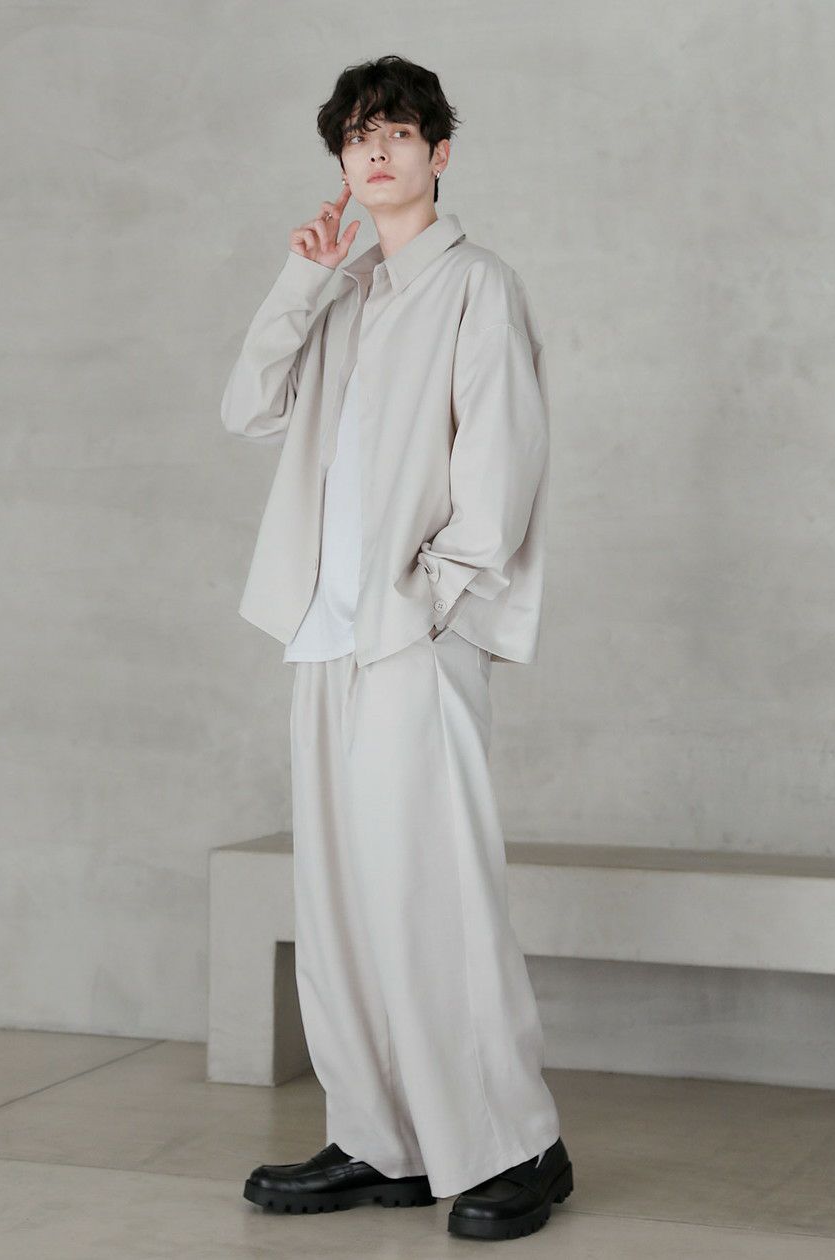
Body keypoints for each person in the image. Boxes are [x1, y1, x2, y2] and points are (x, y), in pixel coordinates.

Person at [221, 54, 573, 1241]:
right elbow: (247, 408)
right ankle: (382, 1138)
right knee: (340, 903)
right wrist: (303, 278)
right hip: (324, 637)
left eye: (398, 133)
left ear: (439, 151)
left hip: (413, 635)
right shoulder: (346, 292)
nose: (375, 152)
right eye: (357, 137)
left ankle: (517, 1144)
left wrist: (434, 600)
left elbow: (501, 466)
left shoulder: (477, 286)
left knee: (437, 894)